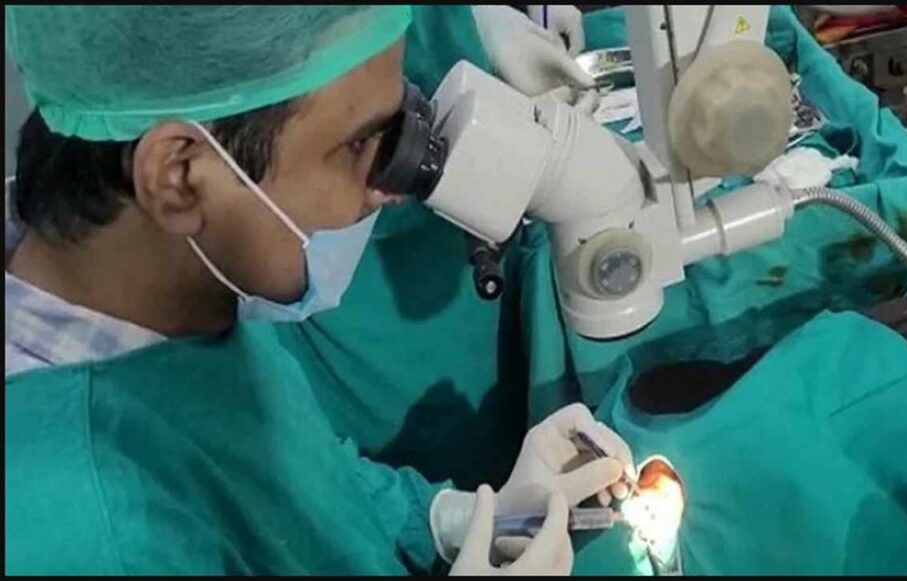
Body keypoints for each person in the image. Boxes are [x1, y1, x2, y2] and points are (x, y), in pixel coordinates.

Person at [3, 5, 633, 575]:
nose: (390, 186)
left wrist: (454, 521)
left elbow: (309, 488)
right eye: (357, 144)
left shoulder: (189, 304)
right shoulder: (82, 530)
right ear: (179, 176)